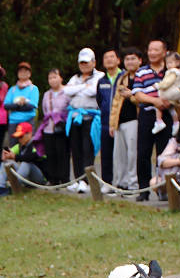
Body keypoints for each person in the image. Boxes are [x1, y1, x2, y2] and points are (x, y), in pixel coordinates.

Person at [61, 48, 104, 190]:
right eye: (81, 63)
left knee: (88, 149)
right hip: (74, 118)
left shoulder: (100, 76)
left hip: (90, 118)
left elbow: (93, 91)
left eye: (86, 62)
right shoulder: (75, 77)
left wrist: (77, 89)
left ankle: (87, 179)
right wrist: (83, 86)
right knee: (76, 149)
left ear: (94, 62)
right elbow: (66, 91)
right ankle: (78, 179)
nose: (84, 65)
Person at [130, 40, 167, 200]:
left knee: (164, 153)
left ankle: (163, 189)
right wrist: (155, 101)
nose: (152, 53)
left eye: (156, 50)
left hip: (166, 116)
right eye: (150, 50)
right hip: (146, 115)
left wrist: (166, 103)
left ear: (164, 52)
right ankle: (143, 189)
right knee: (143, 152)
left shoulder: (171, 71)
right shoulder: (142, 72)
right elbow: (137, 94)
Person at [109, 48, 143, 190]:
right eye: (127, 59)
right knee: (119, 155)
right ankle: (121, 183)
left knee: (132, 154)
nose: (130, 62)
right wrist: (112, 123)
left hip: (134, 120)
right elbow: (116, 102)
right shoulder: (122, 78)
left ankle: (133, 183)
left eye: (133, 59)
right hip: (120, 121)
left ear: (140, 61)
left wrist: (132, 96)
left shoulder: (142, 76)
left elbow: (145, 99)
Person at [96, 48, 123, 185]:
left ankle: (120, 183)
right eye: (106, 57)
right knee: (106, 155)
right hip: (105, 122)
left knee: (120, 155)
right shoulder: (102, 80)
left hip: (120, 121)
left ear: (118, 60)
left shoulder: (123, 77)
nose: (109, 60)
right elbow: (100, 100)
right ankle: (107, 183)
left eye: (112, 57)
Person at [39, 68, 70, 185]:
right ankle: (53, 179)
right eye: (50, 78)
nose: (52, 80)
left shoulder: (67, 92)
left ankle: (65, 179)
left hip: (62, 127)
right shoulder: (47, 94)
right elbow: (44, 110)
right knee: (50, 154)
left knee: (63, 154)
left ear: (61, 78)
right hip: (48, 128)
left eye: (55, 77)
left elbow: (69, 108)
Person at [5, 62, 39, 146]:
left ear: (29, 74)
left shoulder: (33, 88)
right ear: (17, 74)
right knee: (13, 148)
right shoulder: (12, 89)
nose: (23, 73)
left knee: (28, 148)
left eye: (25, 71)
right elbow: (6, 105)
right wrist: (20, 104)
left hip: (28, 121)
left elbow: (32, 106)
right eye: (20, 71)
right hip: (13, 122)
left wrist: (15, 106)